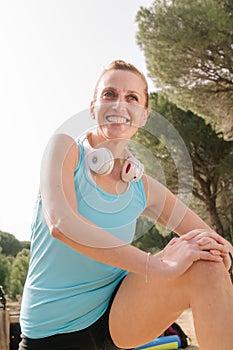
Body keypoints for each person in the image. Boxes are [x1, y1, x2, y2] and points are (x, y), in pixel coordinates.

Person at [19, 60, 233, 350]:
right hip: (52, 332)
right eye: (109, 94)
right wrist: (157, 264)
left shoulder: (141, 187)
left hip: (119, 317)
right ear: (93, 108)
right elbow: (61, 224)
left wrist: (215, 256)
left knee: (207, 264)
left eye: (132, 98)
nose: (120, 104)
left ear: (143, 116)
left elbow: (217, 244)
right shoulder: (65, 149)